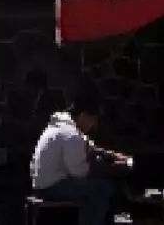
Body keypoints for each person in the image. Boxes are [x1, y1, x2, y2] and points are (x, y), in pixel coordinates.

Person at [30, 93, 131, 225]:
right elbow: (80, 172)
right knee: (101, 188)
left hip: (44, 183)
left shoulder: (64, 127)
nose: (94, 125)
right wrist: (111, 169)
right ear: (84, 116)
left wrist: (114, 156)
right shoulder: (70, 134)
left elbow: (91, 148)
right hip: (51, 187)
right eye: (93, 120)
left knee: (99, 174)